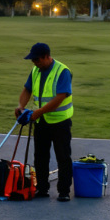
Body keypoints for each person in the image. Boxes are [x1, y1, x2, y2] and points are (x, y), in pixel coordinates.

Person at [14, 42, 73, 201]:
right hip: (41, 121)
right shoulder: (36, 70)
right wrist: (21, 106)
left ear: (47, 56)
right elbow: (27, 89)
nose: (35, 63)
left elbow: (60, 97)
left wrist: (37, 112)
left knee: (63, 157)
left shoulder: (62, 71)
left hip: (60, 122)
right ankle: (41, 188)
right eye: (33, 61)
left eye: (37, 60)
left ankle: (64, 191)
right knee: (40, 156)